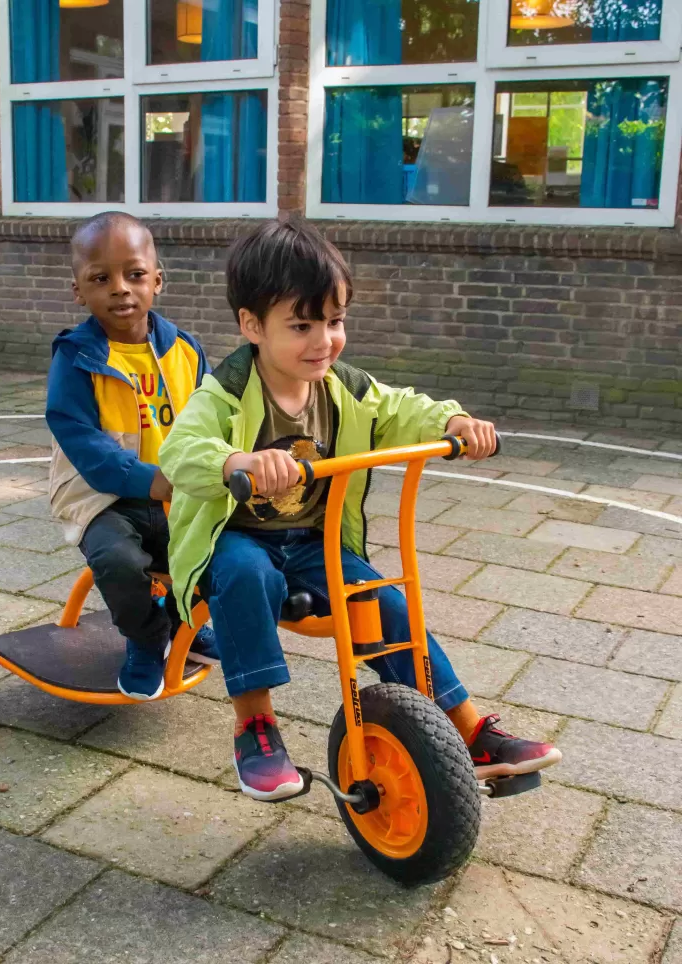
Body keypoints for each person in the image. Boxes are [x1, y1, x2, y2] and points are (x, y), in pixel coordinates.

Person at [160, 219, 562, 801]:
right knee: (246, 574)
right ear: (252, 325)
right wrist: (233, 463)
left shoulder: (343, 385)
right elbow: (181, 452)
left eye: (334, 321)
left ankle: (469, 729)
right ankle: (255, 725)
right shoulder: (224, 391)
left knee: (386, 601)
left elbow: (399, 408)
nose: (323, 340)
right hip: (235, 537)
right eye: (301, 325)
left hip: (315, 543)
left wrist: (451, 422)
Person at [46, 211, 218, 701]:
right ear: (79, 290)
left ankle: (185, 618)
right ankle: (146, 639)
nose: (120, 288)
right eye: (101, 278)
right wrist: (148, 480)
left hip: (173, 490)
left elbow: (212, 417)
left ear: (157, 281)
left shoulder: (184, 350)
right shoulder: (76, 357)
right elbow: (81, 439)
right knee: (119, 559)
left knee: (219, 547)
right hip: (100, 495)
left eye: (135, 274)